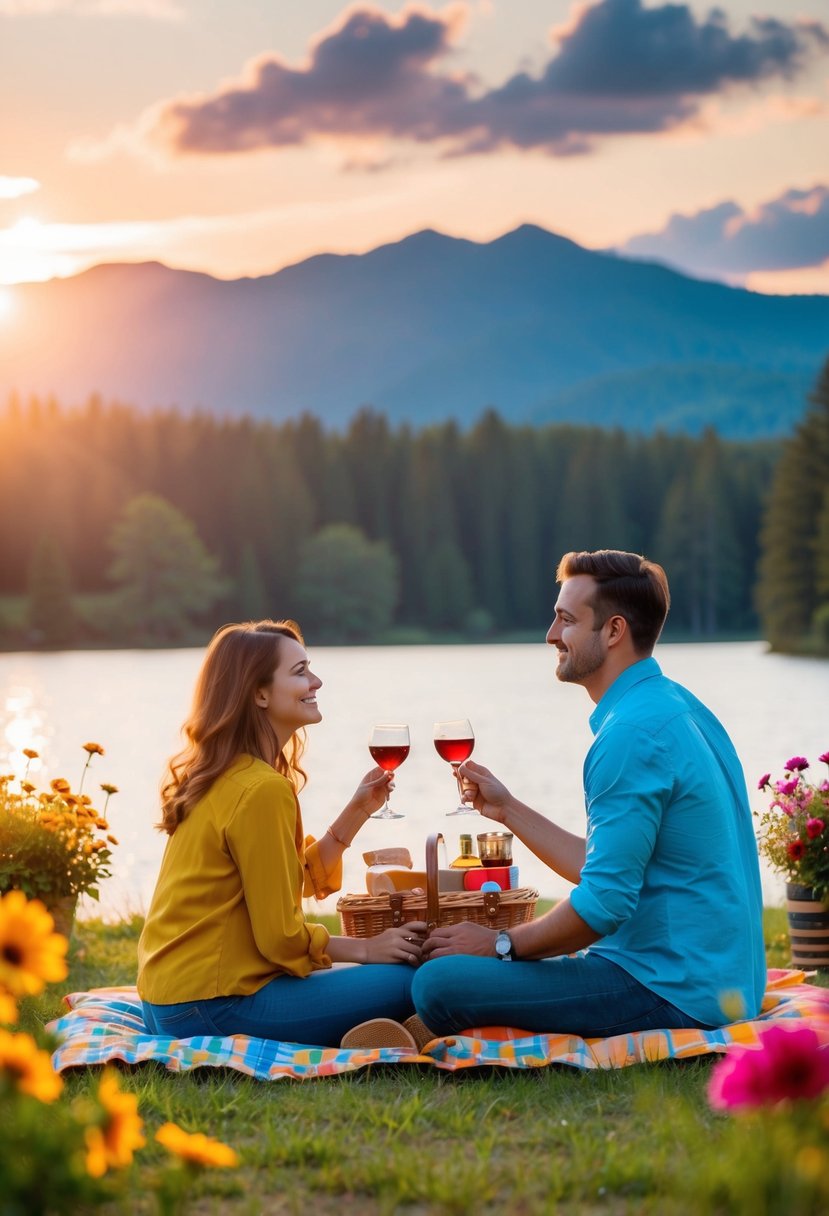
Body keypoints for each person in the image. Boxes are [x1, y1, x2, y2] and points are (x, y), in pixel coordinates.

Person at [412, 550, 766, 1038]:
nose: (551, 635)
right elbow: (611, 871)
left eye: (566, 620)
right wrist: (508, 809)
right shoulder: (679, 707)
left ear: (614, 631)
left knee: (437, 984)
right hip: (722, 985)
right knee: (451, 972)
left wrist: (500, 944)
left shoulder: (631, 734)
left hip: (669, 991)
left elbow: (604, 906)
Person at [137, 619, 426, 1048]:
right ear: (259, 693)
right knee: (418, 979)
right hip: (215, 1008)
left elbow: (280, 882)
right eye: (300, 672)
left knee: (382, 976)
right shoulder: (261, 789)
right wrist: (367, 949)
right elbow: (281, 939)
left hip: (167, 1003)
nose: (317, 681)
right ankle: (404, 1024)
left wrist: (356, 812)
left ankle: (384, 1028)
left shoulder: (225, 774)